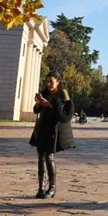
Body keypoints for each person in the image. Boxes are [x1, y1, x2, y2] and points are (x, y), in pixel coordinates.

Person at [29, 70, 76, 199]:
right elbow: (36, 111)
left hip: (53, 130)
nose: (49, 84)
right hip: (42, 127)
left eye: (52, 81)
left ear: (58, 82)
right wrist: (38, 103)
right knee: (40, 157)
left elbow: (66, 115)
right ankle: (41, 187)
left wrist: (50, 105)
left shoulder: (63, 93)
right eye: (47, 81)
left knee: (49, 156)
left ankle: (52, 187)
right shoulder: (44, 93)